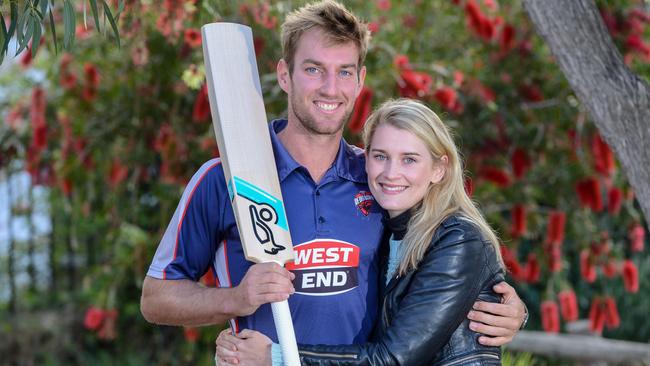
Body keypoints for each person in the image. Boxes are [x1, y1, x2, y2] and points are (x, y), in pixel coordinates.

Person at [141, 0, 525, 351]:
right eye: (314, 69)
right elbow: (155, 298)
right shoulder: (224, 178)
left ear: (360, 81)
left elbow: (450, 257)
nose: (330, 88)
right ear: (285, 75)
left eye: (344, 72)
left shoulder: (381, 180)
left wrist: (509, 309)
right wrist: (236, 298)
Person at [216, 99, 507, 365]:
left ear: (439, 170)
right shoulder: (386, 230)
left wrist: (277, 357)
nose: (391, 173)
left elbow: (394, 358)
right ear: (364, 159)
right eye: (381, 156)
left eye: (409, 159)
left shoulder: (458, 240)